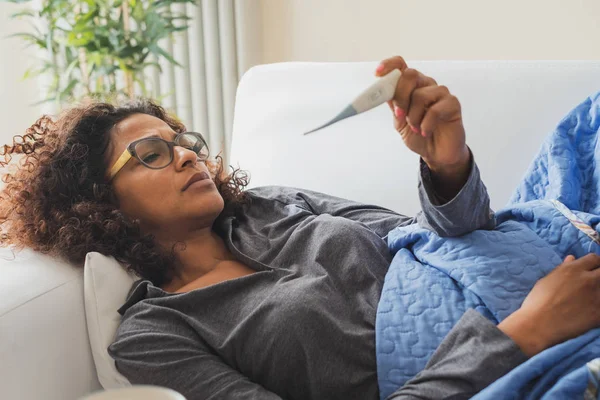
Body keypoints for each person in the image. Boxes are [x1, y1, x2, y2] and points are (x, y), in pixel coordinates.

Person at [1, 56, 600, 400]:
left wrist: (444, 163)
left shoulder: (269, 204)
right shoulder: (155, 334)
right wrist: (524, 334)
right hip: (517, 350)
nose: (188, 155)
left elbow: (440, 237)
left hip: (544, 274)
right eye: (152, 154)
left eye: (184, 142)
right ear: (96, 201)